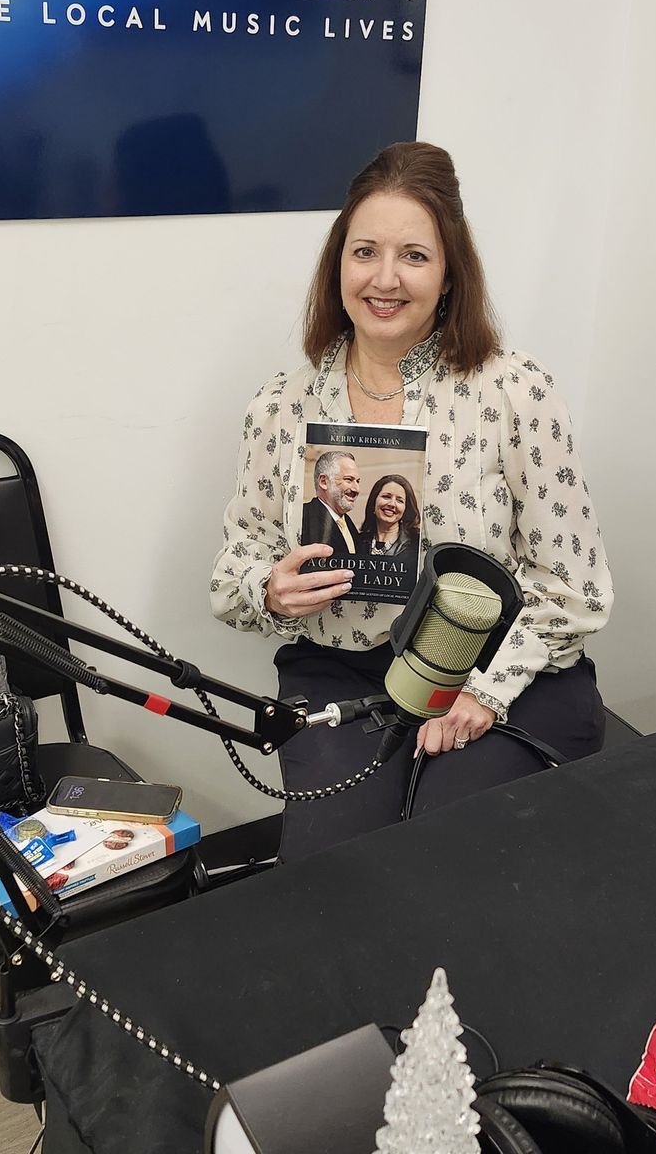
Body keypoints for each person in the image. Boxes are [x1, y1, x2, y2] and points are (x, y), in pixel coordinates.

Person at [211, 142, 613, 862]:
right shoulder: (281, 407)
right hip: (345, 674)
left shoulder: (517, 394)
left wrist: (487, 692)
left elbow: (574, 587)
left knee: (443, 850)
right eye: (365, 252)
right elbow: (235, 566)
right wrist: (268, 589)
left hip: (503, 666)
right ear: (338, 264)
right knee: (333, 874)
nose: (385, 278)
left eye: (415, 256)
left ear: (451, 272)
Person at [299, 448, 362, 554]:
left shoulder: (348, 524)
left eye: (357, 481)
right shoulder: (302, 519)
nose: (356, 489)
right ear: (324, 482)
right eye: (348, 480)